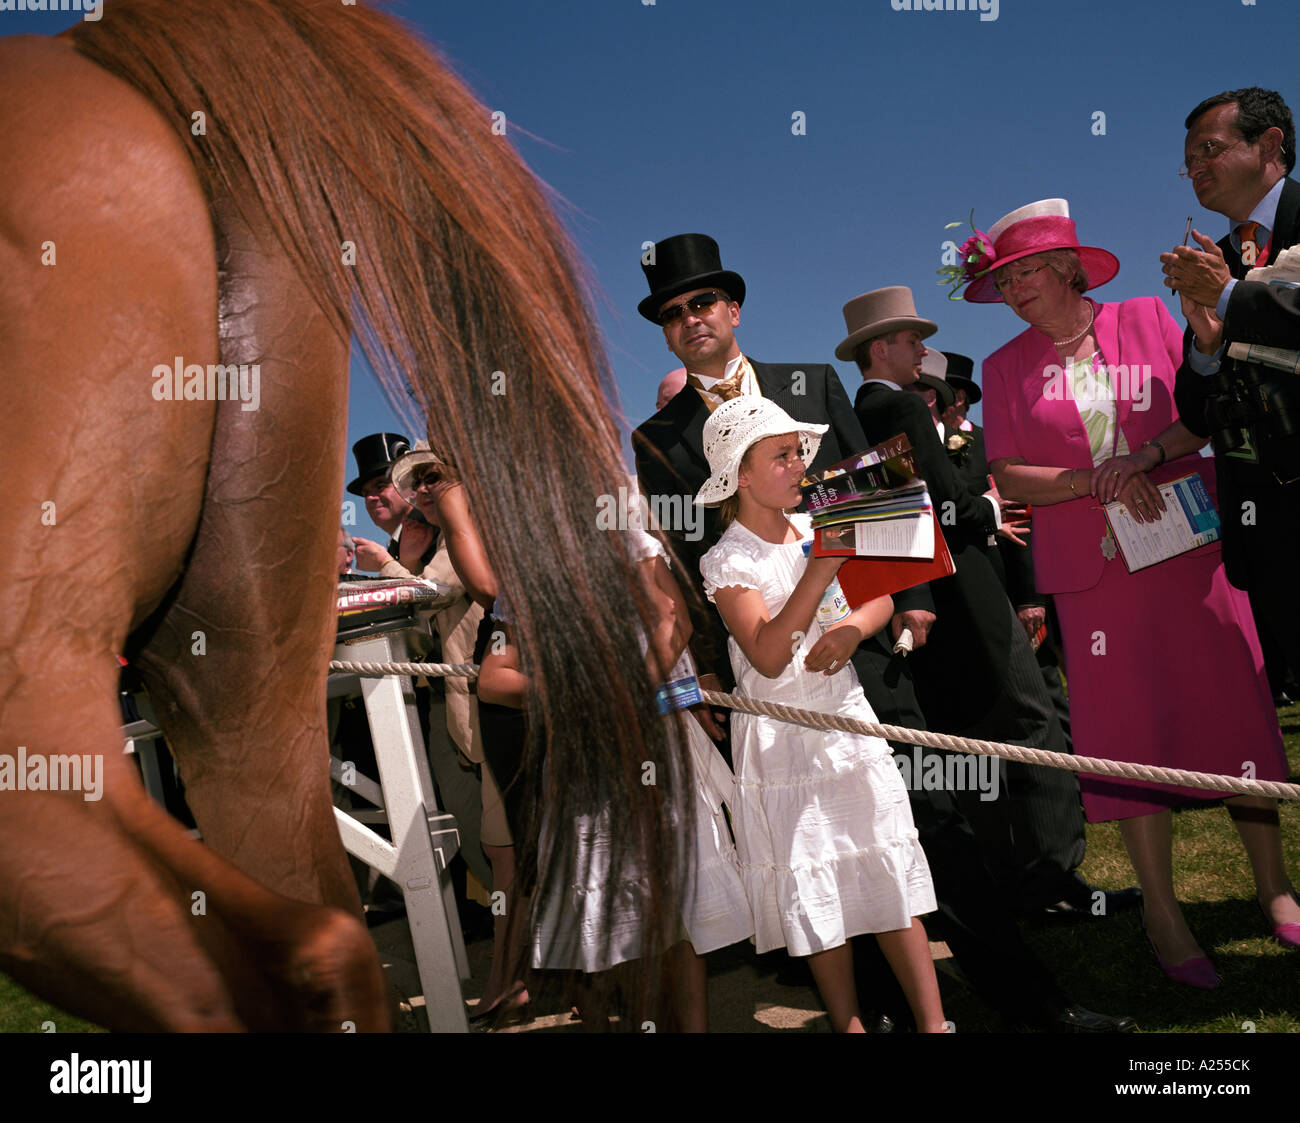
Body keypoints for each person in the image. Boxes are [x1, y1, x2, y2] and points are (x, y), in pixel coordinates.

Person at [970, 196, 1299, 984]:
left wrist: (1142, 458)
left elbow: (1204, 410)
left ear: (1065, 269)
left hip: (1191, 549)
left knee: (1237, 713)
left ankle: (1276, 887)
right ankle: (1162, 911)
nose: (1014, 292)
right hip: (1094, 579)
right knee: (1125, 740)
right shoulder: (1002, 367)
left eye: (1025, 274)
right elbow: (1008, 470)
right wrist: (1091, 480)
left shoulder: (1150, 318)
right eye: (1003, 282)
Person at [842, 285, 1117, 919]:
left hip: (919, 596)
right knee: (1034, 718)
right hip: (966, 581)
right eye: (912, 340)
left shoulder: (853, 414)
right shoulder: (905, 411)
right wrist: (989, 507)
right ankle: (1055, 876)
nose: (922, 349)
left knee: (968, 735)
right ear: (881, 349)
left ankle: (1006, 873)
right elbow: (946, 507)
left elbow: (884, 519)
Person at [697, 396, 945, 1034]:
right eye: (781, 454)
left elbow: (882, 597)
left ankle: (933, 1024)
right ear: (740, 474)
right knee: (816, 890)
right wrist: (821, 566)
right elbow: (770, 655)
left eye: (798, 452)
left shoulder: (819, 524)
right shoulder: (728, 560)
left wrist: (854, 630)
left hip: (847, 722)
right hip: (784, 740)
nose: (799, 464)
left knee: (885, 871)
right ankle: (849, 1025)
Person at [1158, 88, 1300, 695]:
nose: (1196, 170)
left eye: (1209, 150)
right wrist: (1208, 344)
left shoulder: (1215, 276)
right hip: (1270, 527)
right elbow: (1195, 412)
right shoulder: (1210, 259)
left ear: (1270, 145)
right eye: (1188, 161)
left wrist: (1225, 297)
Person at [346, 431, 413, 568]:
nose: (370, 497)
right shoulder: (396, 545)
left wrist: (385, 563)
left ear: (410, 485)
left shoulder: (438, 530)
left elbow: (441, 589)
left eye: (380, 486)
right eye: (365, 493)